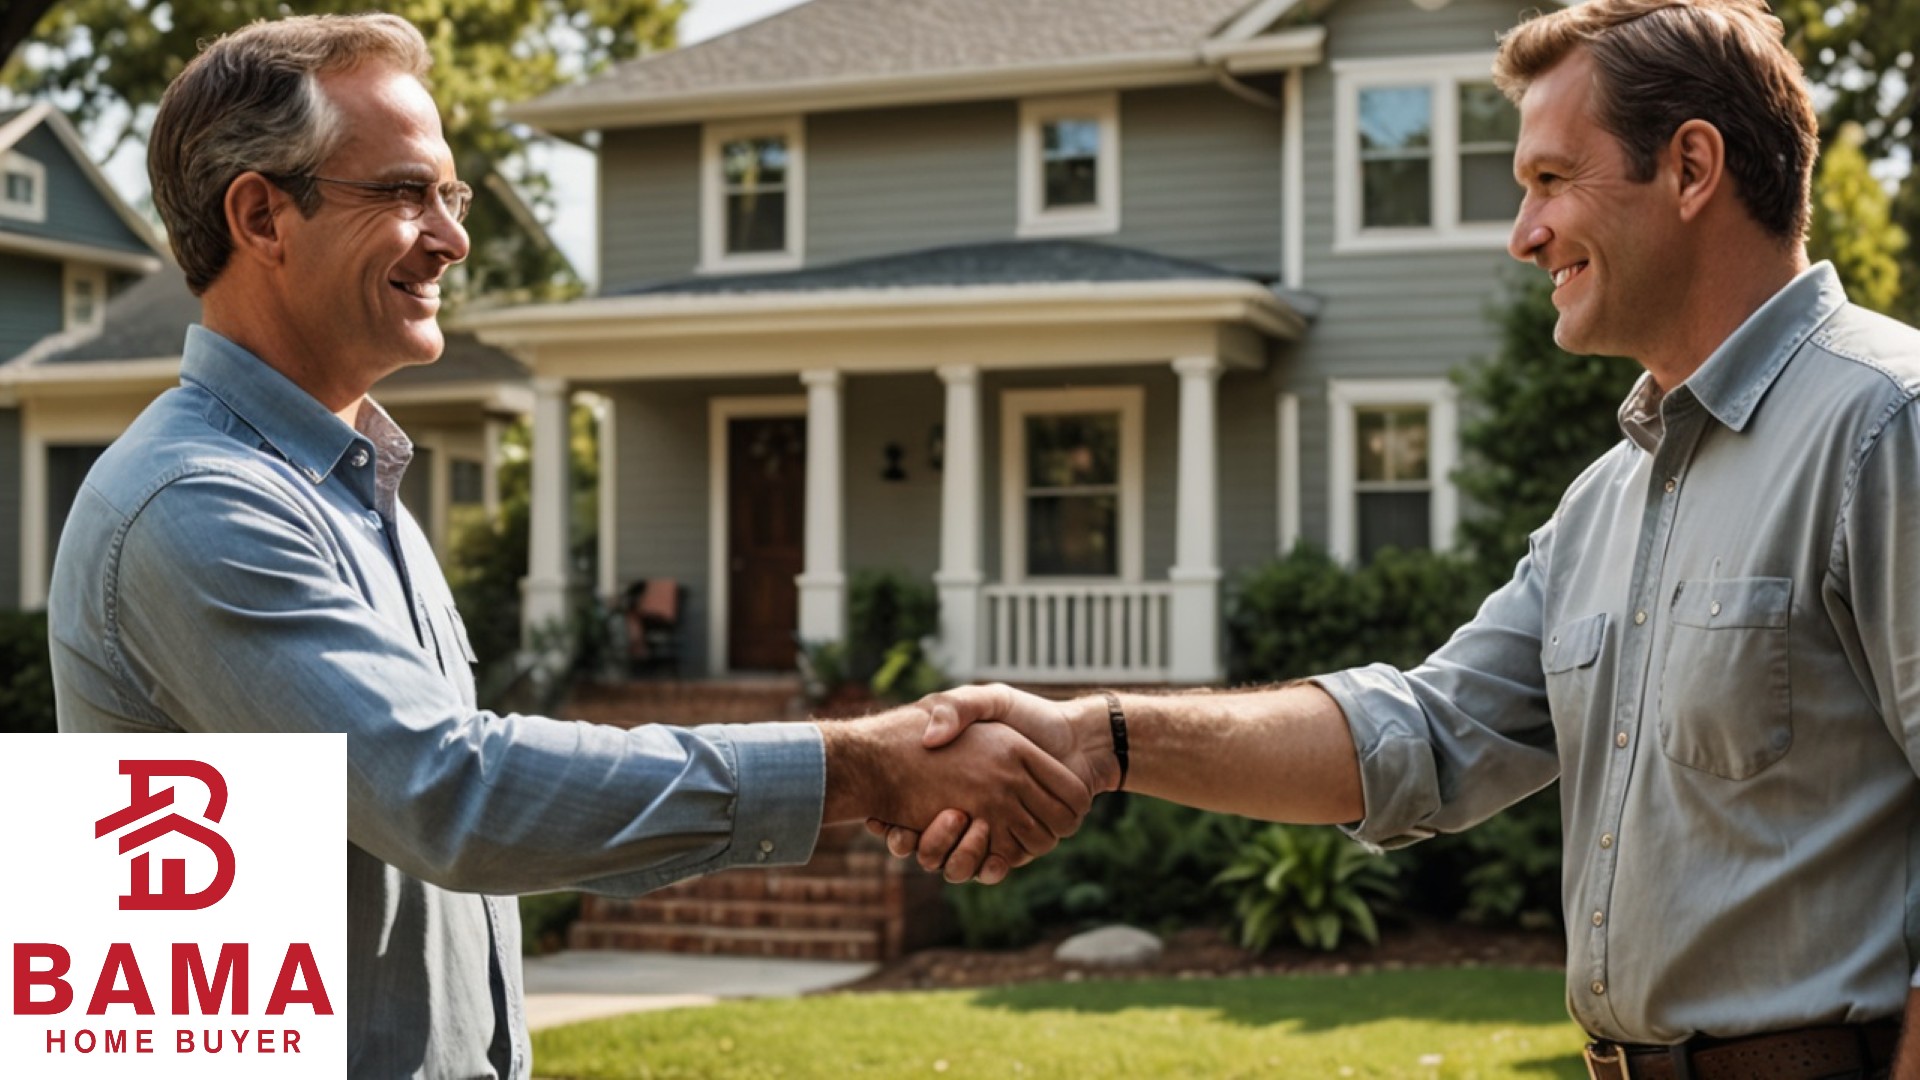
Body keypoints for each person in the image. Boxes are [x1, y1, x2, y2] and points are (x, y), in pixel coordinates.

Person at [884, 1, 1920, 1076]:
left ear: (1691, 167)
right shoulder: (1610, 500)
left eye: (1552, 181)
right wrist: (1097, 739)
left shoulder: (1886, 425)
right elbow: (1426, 732)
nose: (1523, 235)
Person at [46, 14, 1089, 1078]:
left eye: (449, 197)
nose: (453, 236)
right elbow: (454, 797)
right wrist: (861, 769)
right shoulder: (194, 502)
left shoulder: (355, 486)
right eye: (406, 193)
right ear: (262, 214)